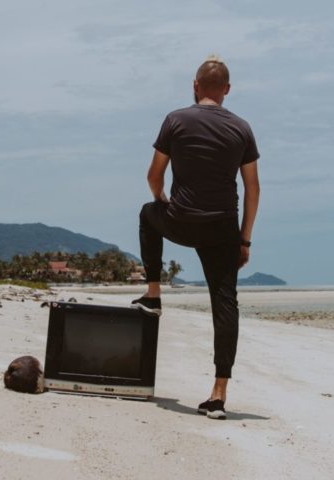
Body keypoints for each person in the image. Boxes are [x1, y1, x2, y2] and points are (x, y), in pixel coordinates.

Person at [132, 55, 260, 420]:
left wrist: (163, 202)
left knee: (146, 214)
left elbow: (154, 175)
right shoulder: (242, 129)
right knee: (225, 304)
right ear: (228, 91)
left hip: (182, 220)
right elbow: (253, 188)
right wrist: (244, 239)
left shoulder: (176, 120)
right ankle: (218, 394)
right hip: (222, 229)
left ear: (195, 85)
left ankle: (154, 294)